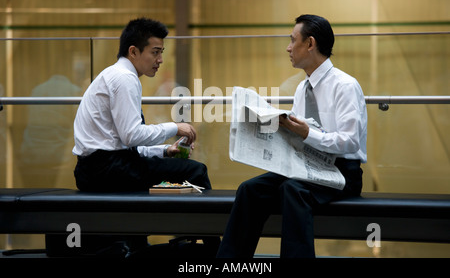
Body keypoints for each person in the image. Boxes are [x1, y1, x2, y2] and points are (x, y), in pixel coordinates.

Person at [217, 14, 367, 258]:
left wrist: (309, 134)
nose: (288, 47)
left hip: (342, 172)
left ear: (310, 43)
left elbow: (350, 141)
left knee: (293, 189)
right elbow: (300, 138)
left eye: (292, 40)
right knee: (249, 189)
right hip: (307, 165)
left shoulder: (345, 85)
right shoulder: (302, 87)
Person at [72, 18, 211, 192]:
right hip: (106, 171)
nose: (160, 60)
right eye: (155, 52)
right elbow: (132, 136)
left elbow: (127, 147)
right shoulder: (124, 78)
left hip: (98, 168)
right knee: (196, 170)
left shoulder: (115, 74)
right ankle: (206, 220)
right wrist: (175, 127)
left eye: (161, 52)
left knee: (178, 166)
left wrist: (166, 150)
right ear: (133, 52)